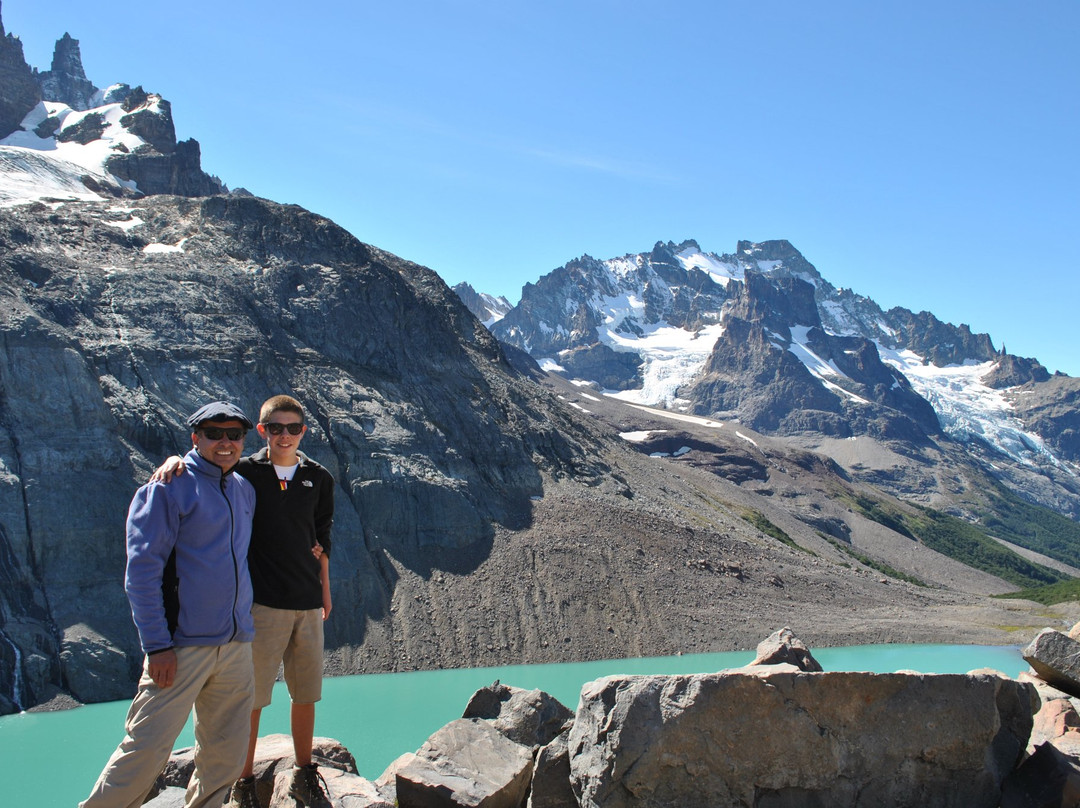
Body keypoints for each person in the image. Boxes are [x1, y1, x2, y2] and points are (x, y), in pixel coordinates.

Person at [154, 395, 335, 808]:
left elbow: (322, 536)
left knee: (305, 694)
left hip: (306, 603)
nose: (284, 435)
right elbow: (210, 460)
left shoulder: (319, 477)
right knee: (250, 701)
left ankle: (305, 773)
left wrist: (325, 590)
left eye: (293, 428)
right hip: (261, 605)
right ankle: (244, 779)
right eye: (276, 428)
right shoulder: (245, 471)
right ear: (262, 431)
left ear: (304, 431)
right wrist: (174, 461)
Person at [80, 402, 257, 808]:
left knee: (224, 756)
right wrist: (157, 645)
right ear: (195, 437)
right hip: (180, 648)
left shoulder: (243, 488)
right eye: (214, 433)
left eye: (234, 434)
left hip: (235, 646)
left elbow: (287, 458)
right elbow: (141, 573)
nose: (225, 442)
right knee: (145, 752)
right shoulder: (167, 487)